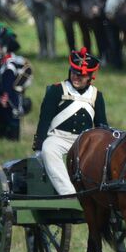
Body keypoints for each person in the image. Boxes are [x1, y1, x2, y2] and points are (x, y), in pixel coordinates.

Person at [33, 48, 107, 196]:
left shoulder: (96, 95)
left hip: (84, 141)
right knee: (49, 148)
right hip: (58, 137)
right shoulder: (56, 90)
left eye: (81, 75)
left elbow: (101, 125)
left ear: (90, 77)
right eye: (74, 72)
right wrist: (39, 145)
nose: (76, 77)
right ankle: (69, 194)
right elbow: (44, 119)